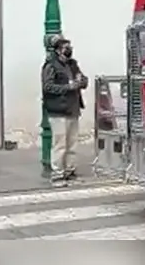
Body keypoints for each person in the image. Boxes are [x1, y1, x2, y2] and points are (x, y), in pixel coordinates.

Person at [41, 34, 87, 186]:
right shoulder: (51, 66)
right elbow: (47, 86)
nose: (69, 49)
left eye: (69, 47)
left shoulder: (73, 64)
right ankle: (57, 174)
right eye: (66, 47)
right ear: (58, 50)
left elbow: (83, 79)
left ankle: (70, 171)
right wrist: (68, 87)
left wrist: (82, 81)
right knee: (60, 144)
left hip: (73, 108)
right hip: (58, 110)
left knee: (72, 144)